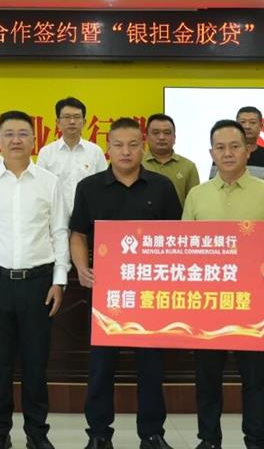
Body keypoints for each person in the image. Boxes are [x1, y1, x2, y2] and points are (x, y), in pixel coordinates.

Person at [69, 117, 181, 449]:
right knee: (101, 367)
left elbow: (177, 237)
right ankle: (99, 433)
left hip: (150, 293)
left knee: (151, 367)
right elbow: (78, 234)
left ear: (143, 147)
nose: (126, 151)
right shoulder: (89, 187)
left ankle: (152, 433)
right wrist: (81, 268)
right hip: (106, 292)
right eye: (118, 145)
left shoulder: (162, 187)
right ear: (108, 148)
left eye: (133, 144)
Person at [0, 110, 70, 449]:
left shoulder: (48, 182)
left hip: (38, 283)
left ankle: (37, 433)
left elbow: (59, 232)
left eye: (22, 133)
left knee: (36, 364)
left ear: (34, 140)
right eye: (9, 134)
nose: (15, 140)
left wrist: (59, 280)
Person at [183, 119, 264, 449]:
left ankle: (256, 439)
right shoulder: (197, 195)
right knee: (207, 378)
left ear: (248, 150)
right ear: (211, 153)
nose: (227, 153)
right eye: (220, 147)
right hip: (208, 304)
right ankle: (209, 439)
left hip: (254, 304)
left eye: (234, 146)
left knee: (256, 379)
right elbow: (184, 250)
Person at [37, 97, 107, 215]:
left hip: (88, 216)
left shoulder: (95, 151)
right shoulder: (46, 153)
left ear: (84, 122)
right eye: (67, 117)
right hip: (55, 217)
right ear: (58, 122)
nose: (72, 121)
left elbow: (104, 185)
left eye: (77, 117)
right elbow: (40, 188)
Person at [142, 113, 199, 206]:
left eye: (167, 133)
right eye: (156, 133)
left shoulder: (188, 166)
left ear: (174, 138)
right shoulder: (137, 164)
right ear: (146, 137)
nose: (161, 137)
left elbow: (195, 203)